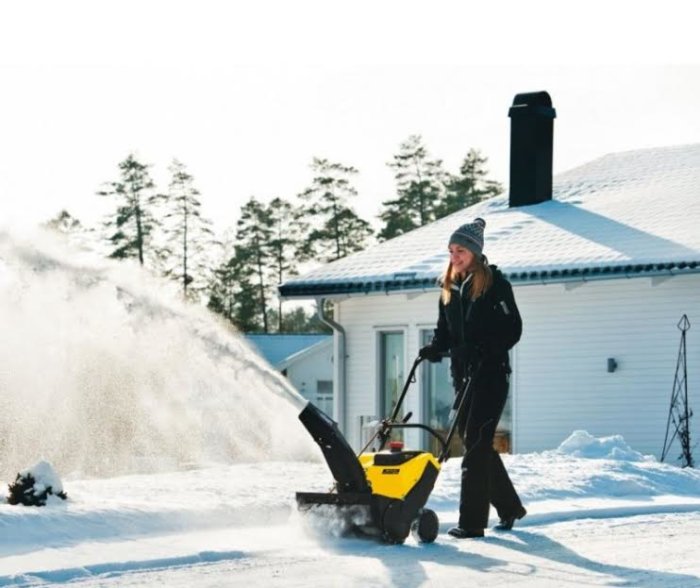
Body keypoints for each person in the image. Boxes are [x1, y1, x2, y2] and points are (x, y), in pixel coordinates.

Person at [419, 217, 526, 539]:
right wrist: (435, 348)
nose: (455, 256)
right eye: (451, 250)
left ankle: (472, 522)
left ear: (476, 252)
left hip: (491, 376)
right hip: (463, 377)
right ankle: (509, 507)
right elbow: (444, 330)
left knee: (476, 447)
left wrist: (483, 350)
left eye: (461, 250)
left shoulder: (496, 285)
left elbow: (512, 329)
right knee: (474, 441)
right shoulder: (449, 286)